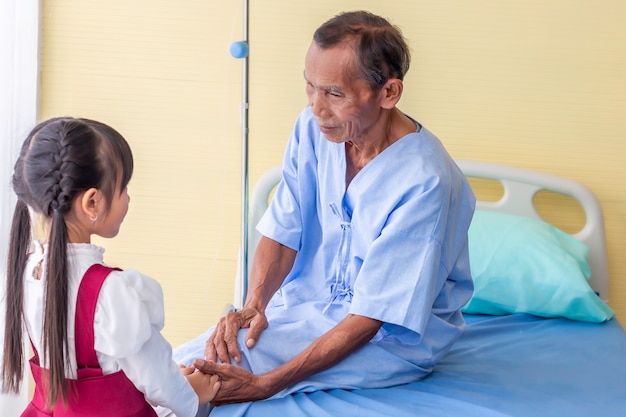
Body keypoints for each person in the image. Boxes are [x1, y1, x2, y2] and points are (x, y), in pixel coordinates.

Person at [178, 9, 476, 410]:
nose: (317, 108)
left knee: (205, 372)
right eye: (310, 87)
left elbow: (372, 317)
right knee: (194, 360)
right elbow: (286, 228)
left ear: (389, 93)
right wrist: (253, 306)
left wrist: (268, 383)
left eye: (335, 93)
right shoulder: (313, 129)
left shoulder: (426, 182)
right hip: (304, 306)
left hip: (387, 341)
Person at [1, 117, 220, 416]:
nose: (128, 197)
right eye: (123, 187)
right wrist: (194, 393)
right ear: (92, 202)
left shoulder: (24, 271)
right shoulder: (112, 292)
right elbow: (157, 379)